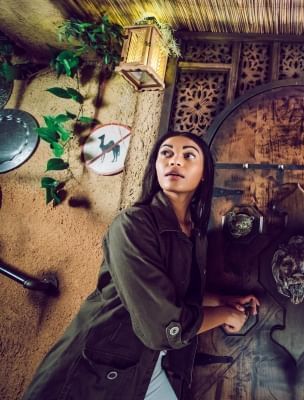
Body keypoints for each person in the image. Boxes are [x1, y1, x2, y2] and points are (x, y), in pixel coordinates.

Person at [23, 131, 260, 400]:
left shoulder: (195, 235)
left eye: (188, 155)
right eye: (166, 154)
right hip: (94, 375)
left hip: (148, 369)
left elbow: (176, 296)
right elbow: (163, 326)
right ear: (155, 166)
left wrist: (224, 300)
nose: (175, 161)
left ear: (204, 173)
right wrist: (227, 315)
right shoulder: (133, 224)